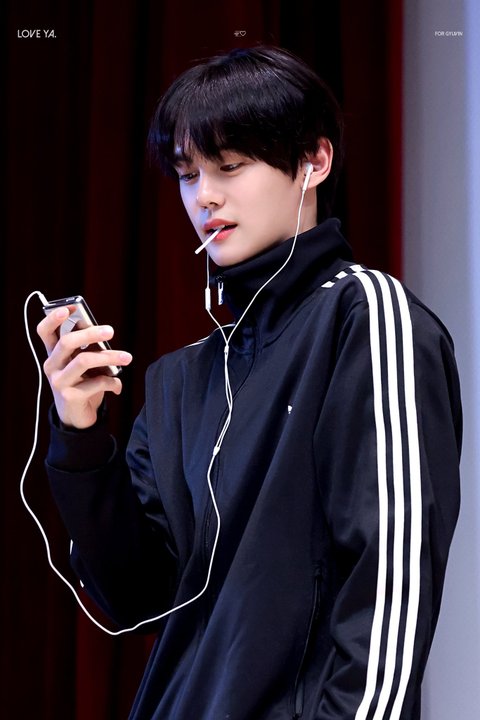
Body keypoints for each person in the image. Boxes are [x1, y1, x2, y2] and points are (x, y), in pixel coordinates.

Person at [37, 46, 461, 720]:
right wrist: (81, 438)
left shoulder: (365, 319)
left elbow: (390, 585)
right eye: (187, 174)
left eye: (230, 166)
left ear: (314, 161)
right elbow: (137, 597)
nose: (204, 196)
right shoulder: (180, 379)